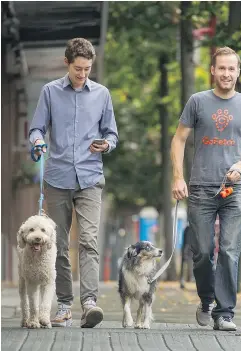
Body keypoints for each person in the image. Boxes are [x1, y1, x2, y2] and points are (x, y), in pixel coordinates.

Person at [170, 47, 241, 331]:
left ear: (238, 71)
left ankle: (225, 314)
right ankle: (207, 299)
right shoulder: (197, 102)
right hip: (200, 187)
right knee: (202, 250)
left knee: (230, 251)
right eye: (221, 68)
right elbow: (178, 140)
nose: (226, 74)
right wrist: (178, 177)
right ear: (212, 70)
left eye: (231, 69)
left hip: (235, 189)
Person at [29, 38, 118, 328]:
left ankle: (90, 303)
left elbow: (112, 134)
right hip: (57, 178)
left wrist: (106, 144)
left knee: (89, 240)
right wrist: (39, 142)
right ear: (67, 63)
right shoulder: (50, 92)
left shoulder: (102, 94)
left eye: (88, 69)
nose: (83, 74)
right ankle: (65, 305)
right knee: (58, 244)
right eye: (78, 69)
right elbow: (37, 128)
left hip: (91, 177)